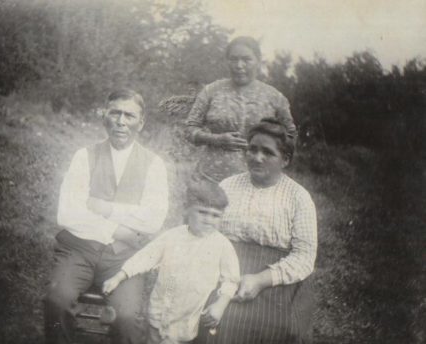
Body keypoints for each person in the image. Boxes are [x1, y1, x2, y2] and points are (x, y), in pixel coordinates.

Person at [44, 89, 169, 344]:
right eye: (115, 113)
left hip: (125, 259)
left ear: (141, 123)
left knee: (126, 318)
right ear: (105, 117)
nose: (121, 121)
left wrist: (104, 208)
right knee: (56, 301)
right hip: (78, 250)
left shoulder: (154, 164)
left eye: (130, 116)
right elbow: (67, 214)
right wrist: (118, 229)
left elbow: (153, 220)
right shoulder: (84, 156)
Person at [195, 118, 317, 344]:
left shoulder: (299, 197)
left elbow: (305, 256)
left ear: (285, 160)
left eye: (267, 153)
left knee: (275, 326)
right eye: (252, 149)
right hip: (225, 267)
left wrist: (261, 280)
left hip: (276, 278)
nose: (257, 157)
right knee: (205, 313)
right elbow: (208, 232)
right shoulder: (228, 186)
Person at [102, 181, 240, 344]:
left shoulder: (222, 246)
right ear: (187, 210)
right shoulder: (173, 236)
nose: (208, 220)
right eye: (202, 212)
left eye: (215, 215)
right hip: (160, 310)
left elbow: (231, 280)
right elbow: (146, 256)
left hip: (188, 317)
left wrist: (220, 304)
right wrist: (120, 276)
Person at [185, 36, 296, 183]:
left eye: (246, 59)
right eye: (233, 59)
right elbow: (189, 129)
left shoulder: (275, 97)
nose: (239, 65)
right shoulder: (211, 91)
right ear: (227, 61)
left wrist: (270, 158)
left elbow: (290, 136)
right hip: (210, 179)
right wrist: (215, 139)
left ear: (258, 61)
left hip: (256, 181)